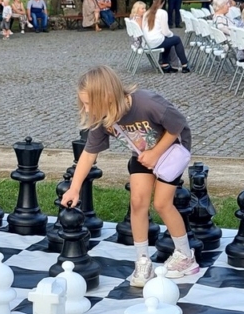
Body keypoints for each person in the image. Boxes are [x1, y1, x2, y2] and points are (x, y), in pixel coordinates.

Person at [62, 65, 197, 286]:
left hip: (171, 151)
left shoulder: (147, 102)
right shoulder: (102, 117)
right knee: (137, 202)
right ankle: (143, 260)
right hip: (142, 155)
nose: (86, 109)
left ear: (107, 95)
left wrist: (155, 153)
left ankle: (185, 256)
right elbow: (88, 154)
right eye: (84, 103)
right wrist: (74, 188)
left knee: (162, 204)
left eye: (89, 103)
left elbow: (178, 125)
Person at [142, 0, 190, 73]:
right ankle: (185, 64)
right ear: (163, 3)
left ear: (153, 1)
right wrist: (172, 35)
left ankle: (165, 64)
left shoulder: (146, 13)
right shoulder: (162, 13)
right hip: (156, 42)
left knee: (168, 40)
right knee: (176, 39)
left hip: (147, 43)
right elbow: (165, 32)